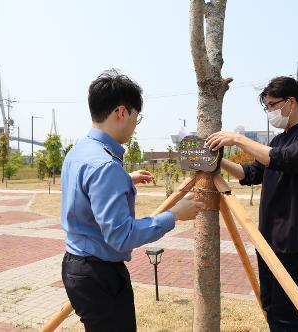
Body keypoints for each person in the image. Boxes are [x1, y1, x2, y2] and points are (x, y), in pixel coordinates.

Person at [60, 69, 204, 331]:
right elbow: (121, 235)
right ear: (122, 112)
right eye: (137, 116)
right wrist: (174, 215)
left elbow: (87, 191)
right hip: (100, 273)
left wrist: (124, 180)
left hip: (75, 265)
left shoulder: (79, 152)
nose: (136, 125)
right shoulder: (105, 166)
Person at [207, 76, 298, 332]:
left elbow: (283, 160)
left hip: (292, 240)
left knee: (286, 313)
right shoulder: (279, 140)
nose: (270, 112)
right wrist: (216, 163)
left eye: (273, 105)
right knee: (271, 307)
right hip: (268, 240)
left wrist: (238, 139)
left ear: (291, 102)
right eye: (267, 106)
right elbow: (250, 173)